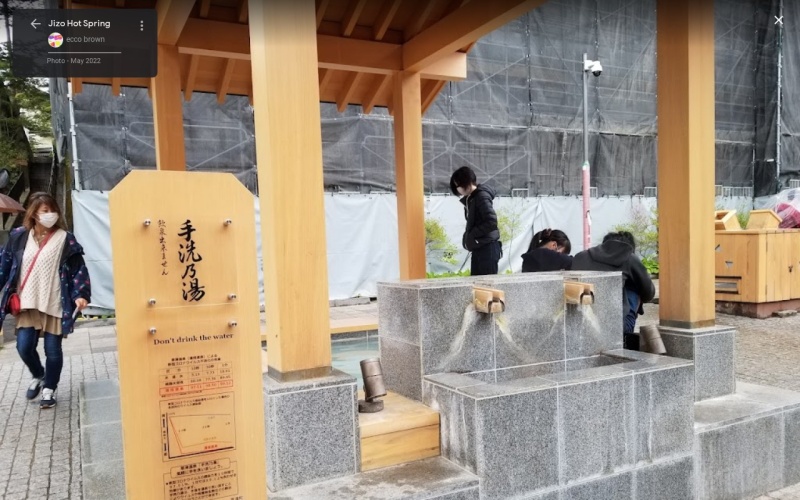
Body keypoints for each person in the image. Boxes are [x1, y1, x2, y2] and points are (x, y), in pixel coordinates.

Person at [0, 192, 91, 408]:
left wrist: (80, 294)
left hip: (54, 302)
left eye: (53, 210)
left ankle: (49, 389)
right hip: (27, 303)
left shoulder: (65, 238)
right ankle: (39, 374)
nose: (51, 214)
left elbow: (78, 269)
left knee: (53, 350)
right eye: (45, 211)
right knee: (23, 347)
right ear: (34, 214)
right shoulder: (19, 236)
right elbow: (5, 265)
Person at [571, 231, 654, 349]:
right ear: (630, 247)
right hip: (617, 327)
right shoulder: (629, 258)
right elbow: (649, 293)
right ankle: (626, 338)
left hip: (578, 322)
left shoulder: (580, 256)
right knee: (634, 286)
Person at [449, 166, 501, 275]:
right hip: (480, 246)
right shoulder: (472, 198)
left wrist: (472, 234)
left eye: (457, 185)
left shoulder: (481, 196)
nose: (457, 189)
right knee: (477, 283)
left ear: (465, 183)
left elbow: (491, 222)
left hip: (487, 247)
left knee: (486, 283)